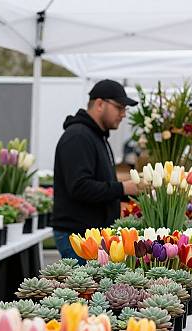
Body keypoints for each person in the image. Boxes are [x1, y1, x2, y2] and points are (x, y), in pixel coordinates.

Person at [52, 79, 139, 261]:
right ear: (100, 104)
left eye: (125, 109)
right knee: (87, 289)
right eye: (119, 107)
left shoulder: (97, 136)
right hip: (78, 237)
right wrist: (123, 188)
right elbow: (80, 187)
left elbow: (98, 181)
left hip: (90, 236)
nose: (123, 114)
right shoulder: (78, 137)